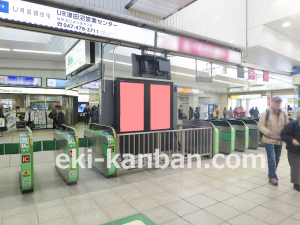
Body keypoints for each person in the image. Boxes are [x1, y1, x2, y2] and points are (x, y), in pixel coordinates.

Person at [257, 96, 289, 186]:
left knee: (277, 158)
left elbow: (287, 126)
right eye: (276, 102)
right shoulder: (265, 114)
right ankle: (272, 177)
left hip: (279, 140)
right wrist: (267, 132)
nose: (277, 104)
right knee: (271, 158)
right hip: (268, 139)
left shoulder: (283, 114)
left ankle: (272, 172)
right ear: (272, 103)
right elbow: (260, 125)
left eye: (279, 102)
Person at [281, 108, 300, 192]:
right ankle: (296, 184)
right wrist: (292, 140)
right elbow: (284, 135)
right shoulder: (292, 124)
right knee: (296, 167)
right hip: (294, 150)